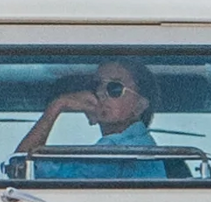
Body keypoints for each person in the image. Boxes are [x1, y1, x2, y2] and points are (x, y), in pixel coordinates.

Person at [15, 58, 166, 180]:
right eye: (96, 86)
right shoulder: (135, 144)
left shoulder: (119, 148)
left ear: (140, 106)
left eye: (114, 88)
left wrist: (57, 105)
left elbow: (20, 168)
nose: (100, 93)